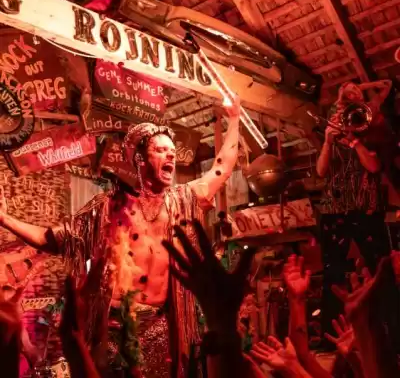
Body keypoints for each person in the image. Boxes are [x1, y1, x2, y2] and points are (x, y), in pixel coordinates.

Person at [0, 98, 241, 377]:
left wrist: (234, 119)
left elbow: (222, 168)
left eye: (172, 151)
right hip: (113, 326)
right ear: (140, 159)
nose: (170, 156)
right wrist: (4, 219)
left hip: (161, 326)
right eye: (161, 150)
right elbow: (49, 239)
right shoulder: (108, 209)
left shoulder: (183, 200)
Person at [316, 79, 392, 348]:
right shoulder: (332, 125)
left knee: (380, 269)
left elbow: (373, 167)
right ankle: (331, 338)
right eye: (345, 92)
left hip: (366, 207)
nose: (350, 92)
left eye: (355, 91)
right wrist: (328, 142)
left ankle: (390, 333)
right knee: (333, 273)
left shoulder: (369, 125)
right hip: (335, 209)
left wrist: (355, 142)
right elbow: (321, 172)